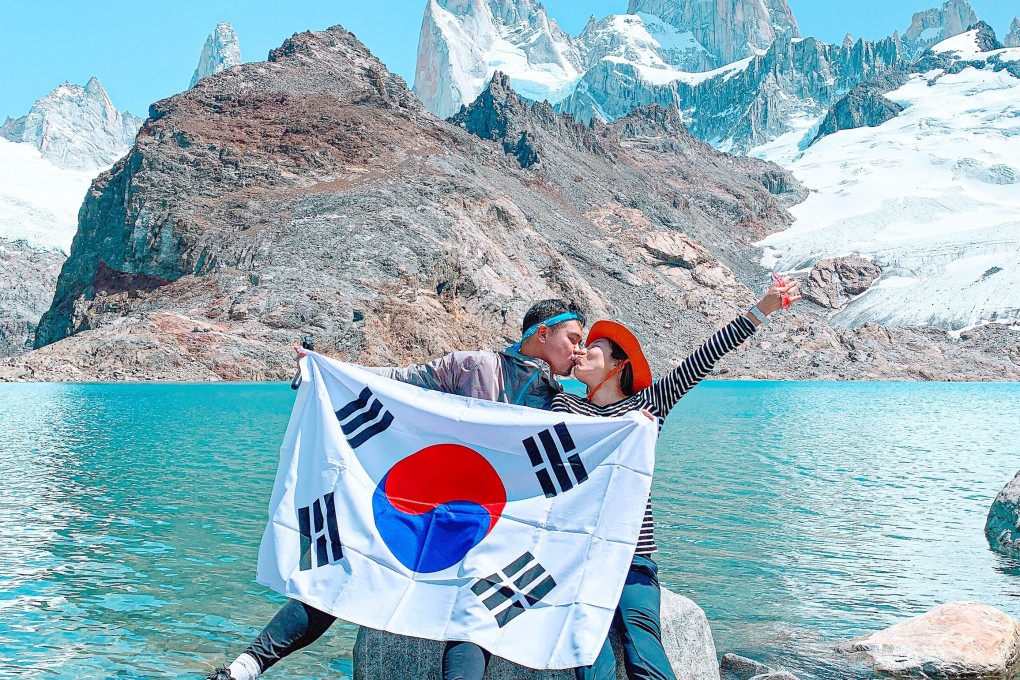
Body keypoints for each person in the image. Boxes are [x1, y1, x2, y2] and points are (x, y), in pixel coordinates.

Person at [205, 299, 586, 680]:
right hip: (425, 507)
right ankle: (244, 668)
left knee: (477, 613)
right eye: (573, 338)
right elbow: (398, 380)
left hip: (486, 527)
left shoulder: (556, 402)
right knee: (349, 568)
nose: (579, 349)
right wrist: (326, 371)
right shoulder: (476, 367)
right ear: (542, 333)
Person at [556, 276, 801, 680]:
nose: (582, 351)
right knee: (588, 652)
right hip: (580, 552)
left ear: (619, 364)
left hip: (633, 551)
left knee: (643, 642)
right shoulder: (560, 405)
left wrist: (762, 310)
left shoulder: (647, 406)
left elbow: (701, 359)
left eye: (593, 347)